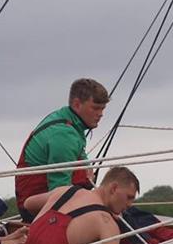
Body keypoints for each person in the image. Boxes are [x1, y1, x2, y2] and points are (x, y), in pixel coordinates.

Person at [15, 78, 109, 222]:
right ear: (77, 104)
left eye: (102, 109)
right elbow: (60, 190)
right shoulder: (64, 135)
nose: (101, 114)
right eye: (95, 108)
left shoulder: (65, 120)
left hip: (44, 201)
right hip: (39, 210)